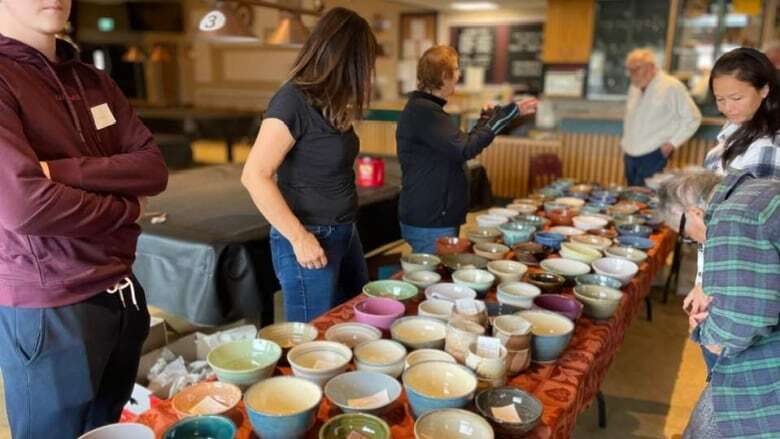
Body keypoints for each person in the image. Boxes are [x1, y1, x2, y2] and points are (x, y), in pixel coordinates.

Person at [0, 1, 169, 437]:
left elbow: (152, 167)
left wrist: (61, 170)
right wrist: (126, 208)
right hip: (51, 307)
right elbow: (25, 206)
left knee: (106, 429)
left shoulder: (92, 80)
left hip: (121, 294)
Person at [241, 8, 375, 322]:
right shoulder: (292, 100)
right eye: (365, 61)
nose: (368, 70)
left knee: (349, 324)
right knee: (310, 341)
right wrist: (300, 238)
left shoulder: (329, 102)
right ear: (347, 59)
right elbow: (255, 175)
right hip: (310, 235)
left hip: (342, 231)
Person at [658, 170, 780, 439]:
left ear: (694, 213)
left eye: (686, 236)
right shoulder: (757, 192)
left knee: (707, 427)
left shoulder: (735, 215)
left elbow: (738, 328)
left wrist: (707, 333)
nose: (692, 243)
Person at [683, 48, 780, 374]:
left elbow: (757, 236)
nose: (727, 107)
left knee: (729, 380)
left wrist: (702, 229)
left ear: (765, 90)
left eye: (736, 97)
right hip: (717, 277)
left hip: (741, 291)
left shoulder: (768, 147)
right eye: (720, 99)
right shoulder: (733, 133)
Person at [396, 45, 537, 254]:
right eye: (456, 69)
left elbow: (461, 145)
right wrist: (507, 114)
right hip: (431, 220)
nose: (459, 74)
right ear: (444, 75)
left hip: (434, 217)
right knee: (434, 282)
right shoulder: (424, 111)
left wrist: (485, 121)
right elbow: (465, 148)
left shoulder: (427, 108)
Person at [621, 48, 702, 187]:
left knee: (649, 198)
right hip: (630, 152)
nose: (632, 74)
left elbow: (693, 118)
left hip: (654, 153)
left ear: (651, 67)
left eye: (636, 69)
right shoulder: (634, 87)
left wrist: (672, 144)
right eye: (629, 69)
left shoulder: (671, 86)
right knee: (631, 196)